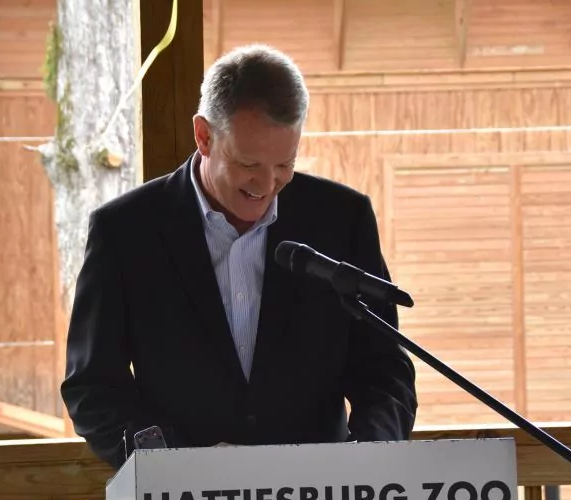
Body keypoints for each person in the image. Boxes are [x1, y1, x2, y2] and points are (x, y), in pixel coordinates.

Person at [60, 44, 417, 473]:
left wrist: (368, 459)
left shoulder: (342, 219)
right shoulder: (125, 231)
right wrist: (172, 464)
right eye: (249, 163)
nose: (266, 185)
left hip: (323, 497)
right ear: (204, 136)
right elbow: (92, 387)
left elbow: (384, 372)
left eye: (284, 164)